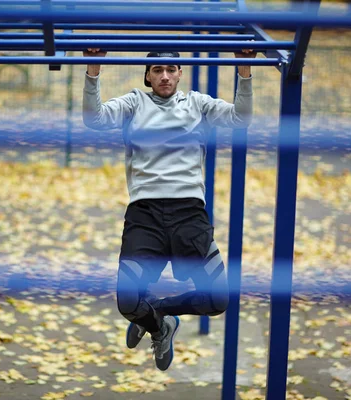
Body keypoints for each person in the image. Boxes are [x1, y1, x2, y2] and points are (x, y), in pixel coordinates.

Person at [82, 48, 256, 371]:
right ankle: (159, 327)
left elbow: (240, 118)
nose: (164, 75)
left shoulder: (197, 104)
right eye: (157, 70)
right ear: (147, 75)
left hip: (188, 212)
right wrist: (93, 67)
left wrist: (244, 67)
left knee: (217, 298)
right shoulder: (135, 103)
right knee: (128, 301)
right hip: (144, 213)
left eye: (171, 69)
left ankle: (159, 312)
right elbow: (95, 119)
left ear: (180, 74)